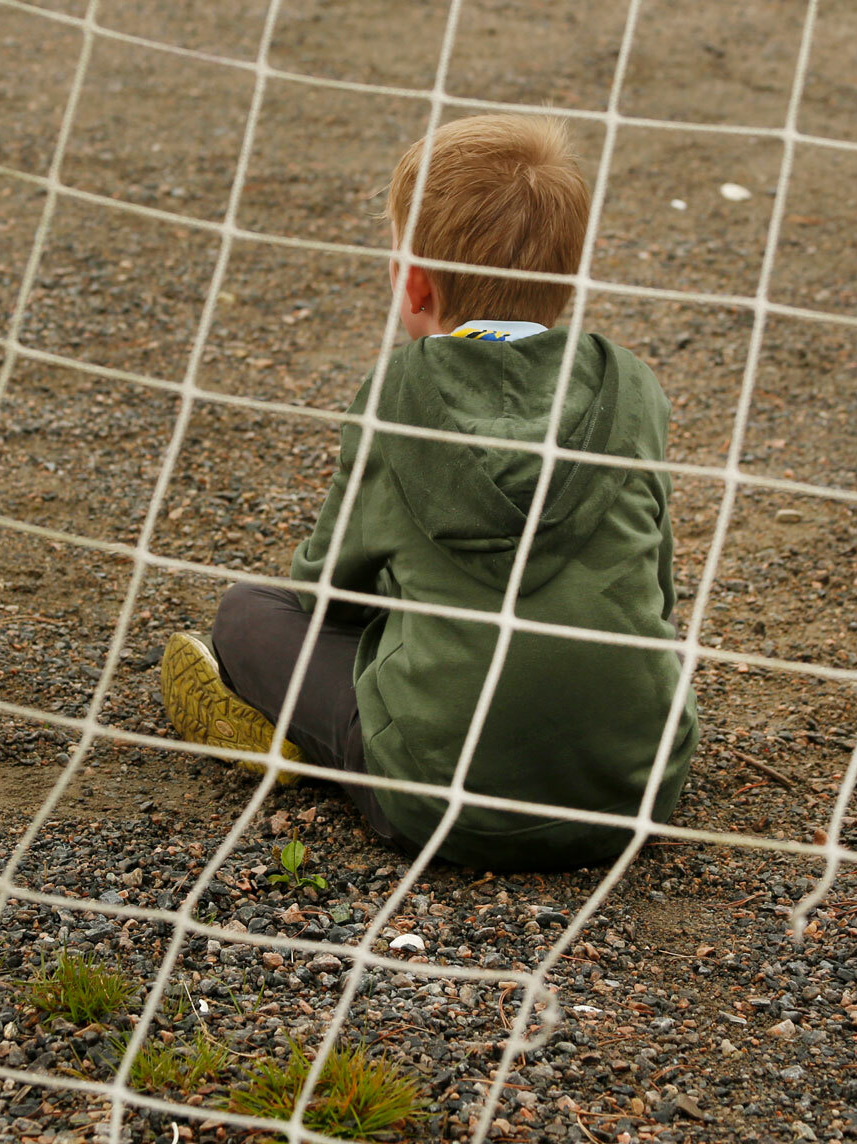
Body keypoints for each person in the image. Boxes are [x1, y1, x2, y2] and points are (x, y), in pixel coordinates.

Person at [158, 114, 698, 870]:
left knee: (249, 612)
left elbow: (328, 593)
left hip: (440, 806)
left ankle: (310, 741)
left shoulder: (396, 395)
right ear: (569, 281)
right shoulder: (632, 387)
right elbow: (658, 586)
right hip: (635, 791)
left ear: (413, 282)